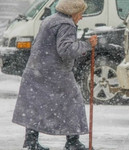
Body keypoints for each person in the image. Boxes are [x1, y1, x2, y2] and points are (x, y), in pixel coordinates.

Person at [12, 0, 97, 149]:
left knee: (35, 105)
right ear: (73, 12)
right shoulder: (66, 24)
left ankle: (31, 142)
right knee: (73, 102)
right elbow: (66, 50)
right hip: (55, 73)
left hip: (36, 69)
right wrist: (87, 45)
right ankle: (72, 142)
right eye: (81, 14)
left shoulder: (50, 19)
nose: (81, 17)